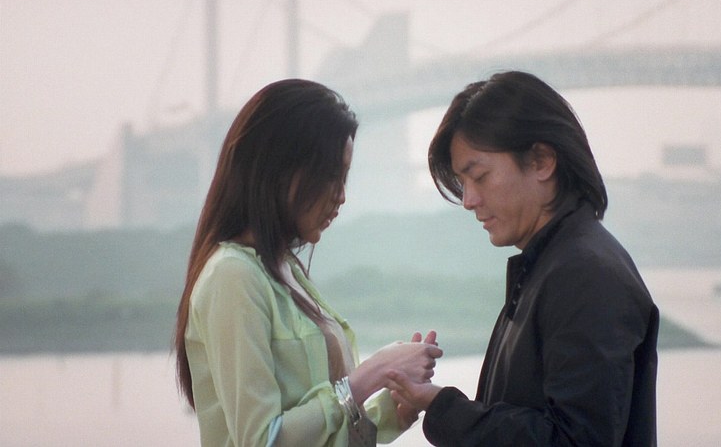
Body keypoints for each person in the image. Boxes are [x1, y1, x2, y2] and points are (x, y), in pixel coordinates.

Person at [386, 71, 659, 446]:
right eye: (463, 184)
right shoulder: (552, 265)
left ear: (542, 161)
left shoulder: (585, 275)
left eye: (479, 176)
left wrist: (444, 408)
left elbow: (575, 441)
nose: (468, 200)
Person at [172, 79, 443, 446]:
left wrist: (392, 408)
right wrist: (374, 372)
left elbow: (320, 428)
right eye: (331, 176)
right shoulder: (232, 275)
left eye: (344, 178)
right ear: (278, 168)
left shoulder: (285, 271)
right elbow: (261, 439)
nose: (341, 196)